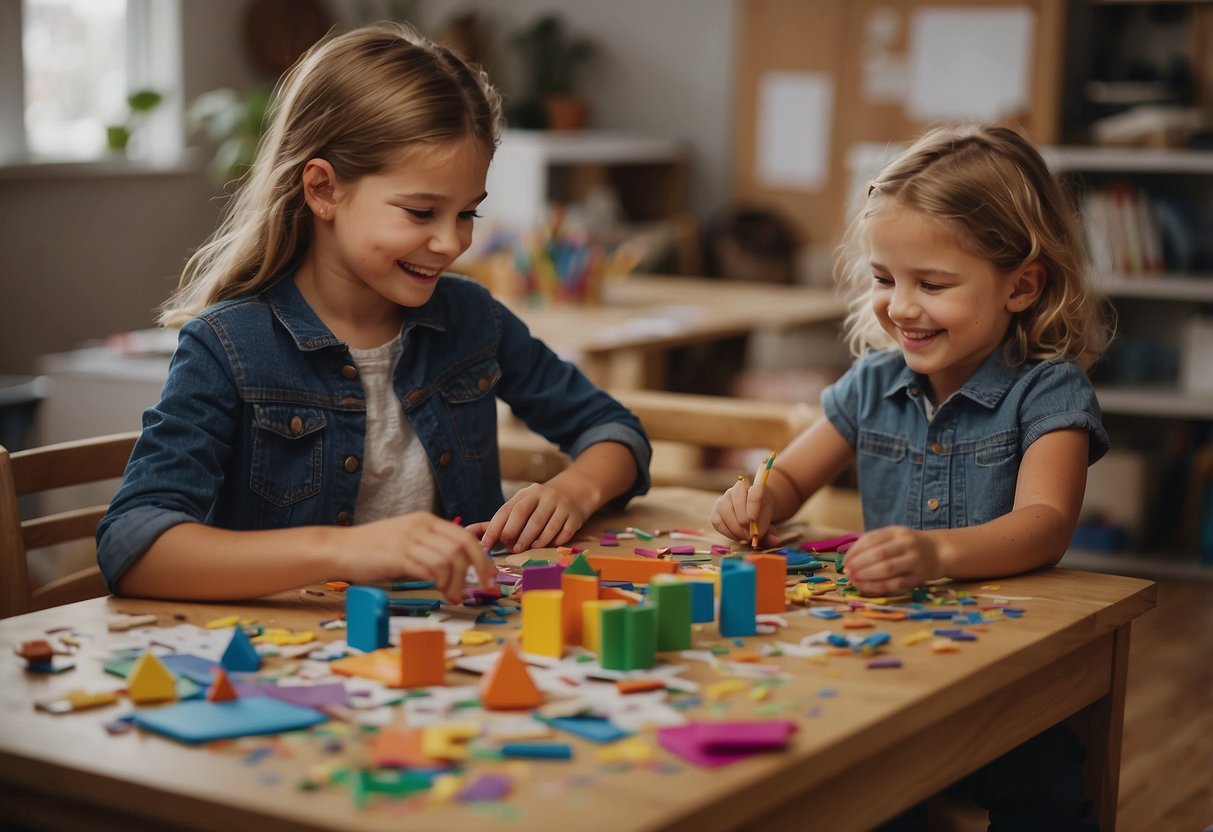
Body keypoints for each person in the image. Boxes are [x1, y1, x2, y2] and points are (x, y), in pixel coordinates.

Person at [97, 23, 651, 605]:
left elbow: (616, 432)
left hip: (456, 652)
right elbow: (134, 547)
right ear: (323, 190)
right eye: (420, 212)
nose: (451, 243)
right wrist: (346, 551)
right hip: (286, 668)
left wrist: (575, 491)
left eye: (468, 214)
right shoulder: (228, 345)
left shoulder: (470, 317)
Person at [712, 124, 1108, 830]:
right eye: (884, 279)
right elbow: (790, 481)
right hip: (881, 664)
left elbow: (1044, 526)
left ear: (1020, 285)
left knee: (1045, 789)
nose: (899, 306)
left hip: (1001, 671)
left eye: (932, 283)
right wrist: (756, 500)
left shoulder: (1048, 391)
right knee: (859, 792)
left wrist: (934, 554)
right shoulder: (871, 382)